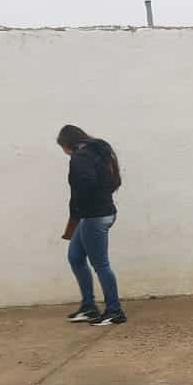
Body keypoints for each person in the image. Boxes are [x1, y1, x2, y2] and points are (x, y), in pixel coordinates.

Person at [58, 125, 126, 326]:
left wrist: (77, 211)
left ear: (66, 144)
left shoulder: (80, 157)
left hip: (93, 216)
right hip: (102, 212)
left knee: (101, 264)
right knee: (75, 257)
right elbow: (112, 181)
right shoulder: (100, 151)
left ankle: (114, 311)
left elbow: (83, 187)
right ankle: (88, 307)